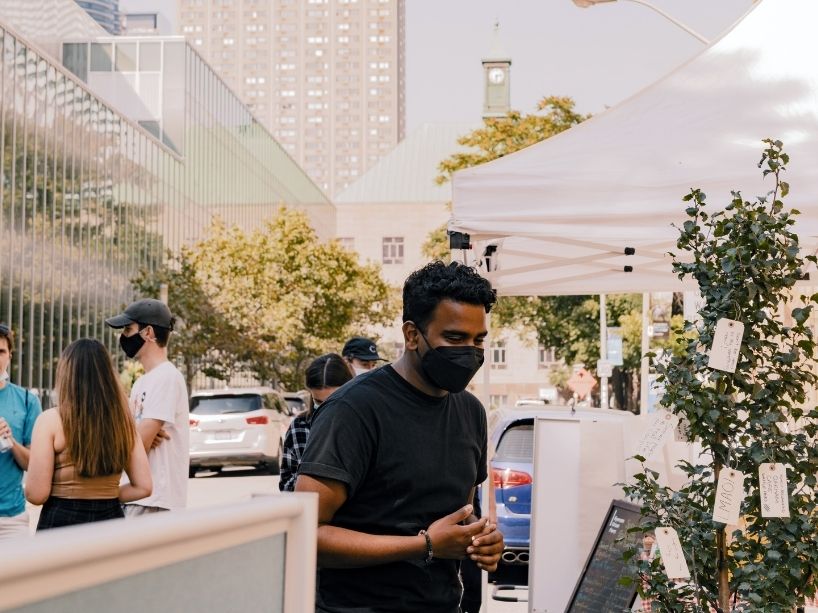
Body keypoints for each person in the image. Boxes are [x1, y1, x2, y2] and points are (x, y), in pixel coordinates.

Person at [296, 261, 504, 613]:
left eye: (478, 339)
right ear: (411, 335)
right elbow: (305, 533)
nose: (470, 351)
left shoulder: (471, 412)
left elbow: (460, 513)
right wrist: (423, 545)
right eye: (454, 338)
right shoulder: (354, 410)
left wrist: (481, 539)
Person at [25, 339, 152, 530]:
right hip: (111, 522)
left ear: (66, 375)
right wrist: (105, 493)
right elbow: (144, 487)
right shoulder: (124, 423)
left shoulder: (49, 421)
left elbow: (36, 494)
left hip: (61, 524)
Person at [105, 298, 189, 515]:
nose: (123, 336)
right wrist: (136, 434)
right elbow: (134, 438)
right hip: (140, 497)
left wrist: (138, 436)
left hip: (155, 500)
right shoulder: (143, 382)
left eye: (128, 329)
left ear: (148, 333)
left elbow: (138, 443)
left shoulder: (167, 377)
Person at [279, 354, 353, 493]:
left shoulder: (363, 425)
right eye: (319, 402)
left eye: (333, 401)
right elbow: (286, 486)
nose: (326, 409)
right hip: (312, 509)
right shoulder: (299, 428)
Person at [0, 324, 42, 538]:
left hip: (11, 520)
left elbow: (32, 463)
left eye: (1, 352)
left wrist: (9, 439)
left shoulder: (27, 400)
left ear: (9, 356)